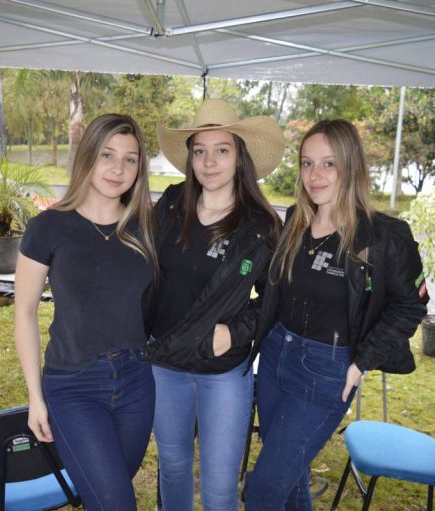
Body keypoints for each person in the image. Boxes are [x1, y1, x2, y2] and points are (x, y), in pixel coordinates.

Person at [243, 119, 429, 511]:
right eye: (307, 163)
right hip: (275, 357)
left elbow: (410, 306)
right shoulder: (295, 221)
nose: (315, 175)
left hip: (326, 371)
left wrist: (361, 362)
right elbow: (274, 294)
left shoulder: (384, 236)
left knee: (263, 490)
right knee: (291, 478)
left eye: (329, 164)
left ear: (351, 166)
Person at [146, 98, 284, 511]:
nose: (209, 161)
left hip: (223, 372)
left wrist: (235, 332)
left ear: (239, 157)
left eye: (221, 150)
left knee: (219, 487)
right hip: (164, 364)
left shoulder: (261, 226)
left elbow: (275, 301)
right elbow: (142, 270)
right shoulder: (170, 205)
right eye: (199, 151)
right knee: (172, 469)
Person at [14, 114, 157, 511]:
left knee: (111, 489)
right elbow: (24, 312)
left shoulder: (147, 227)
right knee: (115, 503)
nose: (118, 168)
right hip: (74, 384)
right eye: (107, 154)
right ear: (88, 155)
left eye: (130, 159)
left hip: (137, 381)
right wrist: (35, 397)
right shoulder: (48, 227)